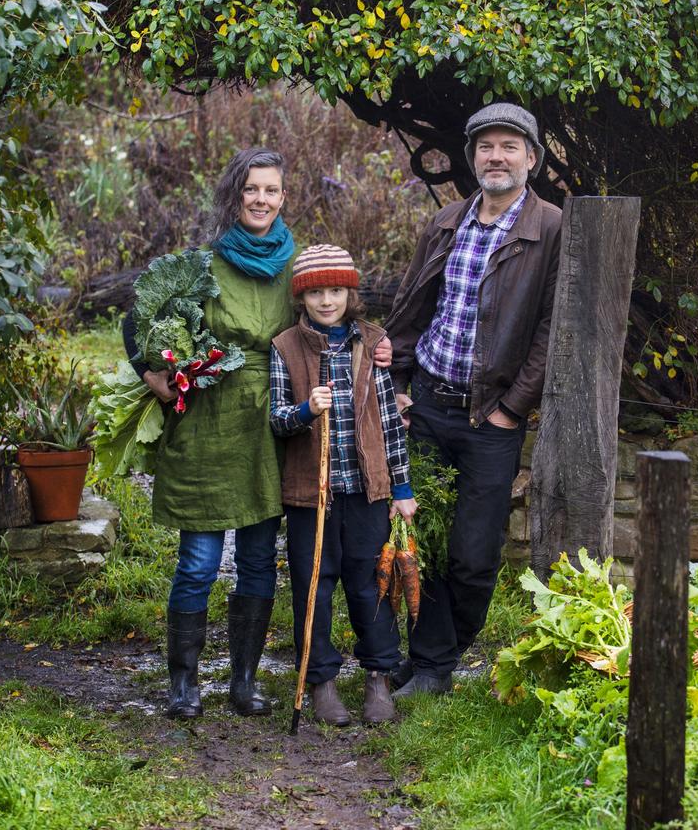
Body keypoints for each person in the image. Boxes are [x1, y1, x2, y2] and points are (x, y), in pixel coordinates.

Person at [123, 150, 391, 721]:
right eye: (251, 189)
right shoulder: (203, 264)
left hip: (275, 424)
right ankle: (184, 683)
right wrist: (153, 376)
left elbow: (335, 314)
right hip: (209, 424)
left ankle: (243, 683)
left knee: (255, 559)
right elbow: (137, 320)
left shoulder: (298, 263)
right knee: (198, 560)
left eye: (271, 190)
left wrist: (378, 341)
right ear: (235, 195)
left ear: (284, 197)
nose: (261, 199)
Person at [385, 102, 562, 697]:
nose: (497, 156)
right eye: (486, 146)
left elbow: (551, 328)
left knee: (475, 550)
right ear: (472, 158)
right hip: (431, 402)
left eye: (510, 146)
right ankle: (432, 663)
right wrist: (402, 385)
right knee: (427, 534)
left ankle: (447, 648)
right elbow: (414, 304)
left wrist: (513, 406)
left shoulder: (551, 229)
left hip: (491, 414)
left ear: (531, 160)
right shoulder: (448, 221)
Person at [270, 244, 417, 726]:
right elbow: (276, 421)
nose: (327, 301)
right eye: (316, 293)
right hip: (310, 494)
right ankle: (321, 680)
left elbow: (390, 424)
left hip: (365, 489)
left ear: (349, 293)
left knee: (369, 583)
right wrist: (305, 410)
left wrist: (401, 488)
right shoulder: (285, 347)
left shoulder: (372, 342)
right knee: (314, 585)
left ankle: (378, 674)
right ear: (302, 298)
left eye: (335, 290)